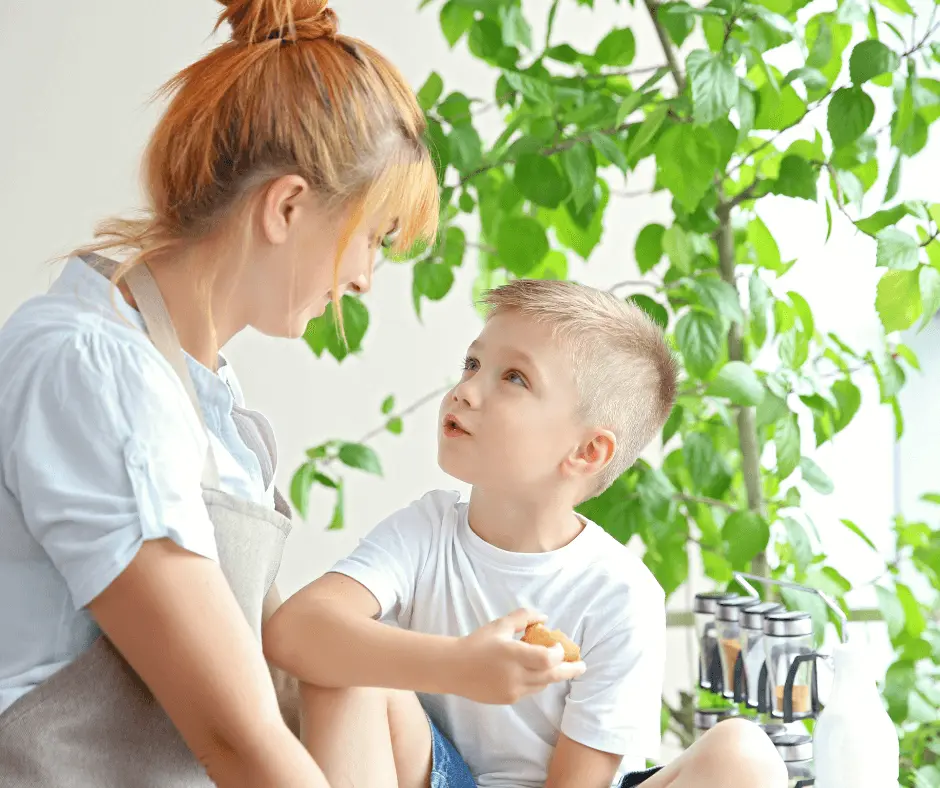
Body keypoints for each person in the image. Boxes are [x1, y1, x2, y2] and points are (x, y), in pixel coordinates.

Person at [0, 0, 439, 785]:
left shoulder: (196, 389)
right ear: (288, 206)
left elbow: (281, 678)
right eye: (369, 237)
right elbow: (238, 740)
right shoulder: (92, 371)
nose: (365, 277)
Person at [265, 280, 789, 788]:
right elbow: (294, 632)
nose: (465, 391)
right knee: (346, 665)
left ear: (586, 452)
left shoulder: (622, 594)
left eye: (513, 378)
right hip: (440, 775)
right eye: (472, 364)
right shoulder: (424, 531)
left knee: (743, 756)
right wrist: (459, 668)